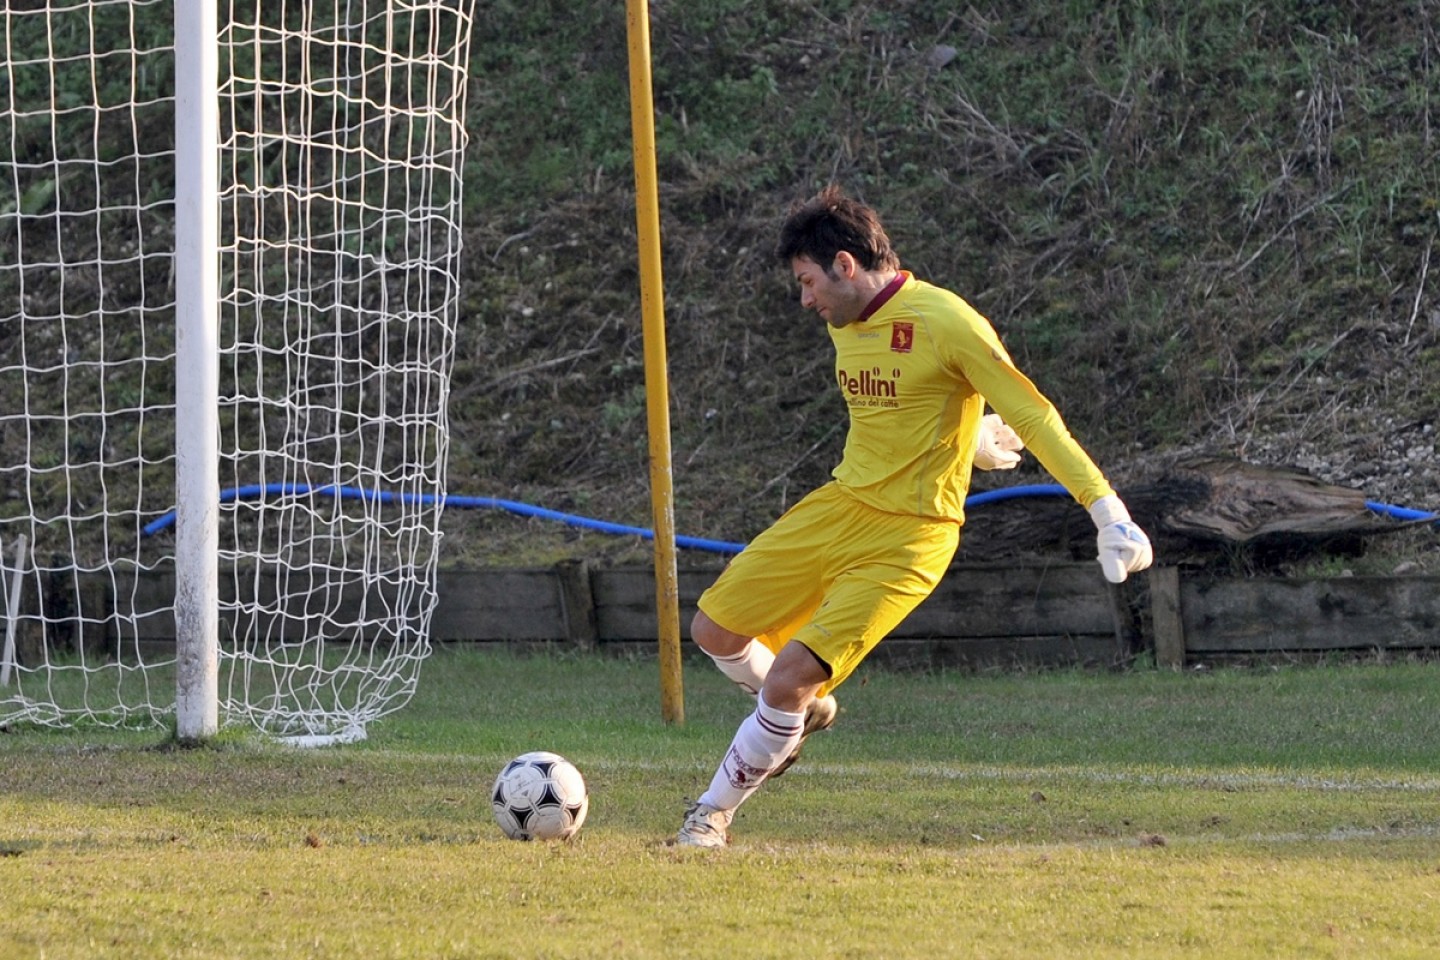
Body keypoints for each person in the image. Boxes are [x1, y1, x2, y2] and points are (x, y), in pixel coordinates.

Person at [674, 184, 1153, 848]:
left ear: (845, 266)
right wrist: (966, 442)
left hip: (911, 537)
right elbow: (907, 406)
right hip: (840, 504)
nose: (805, 300)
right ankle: (801, 712)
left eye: (808, 282)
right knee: (714, 629)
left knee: (784, 678)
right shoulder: (847, 325)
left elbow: (1033, 415)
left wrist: (1108, 509)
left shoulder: (946, 320)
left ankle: (711, 815)